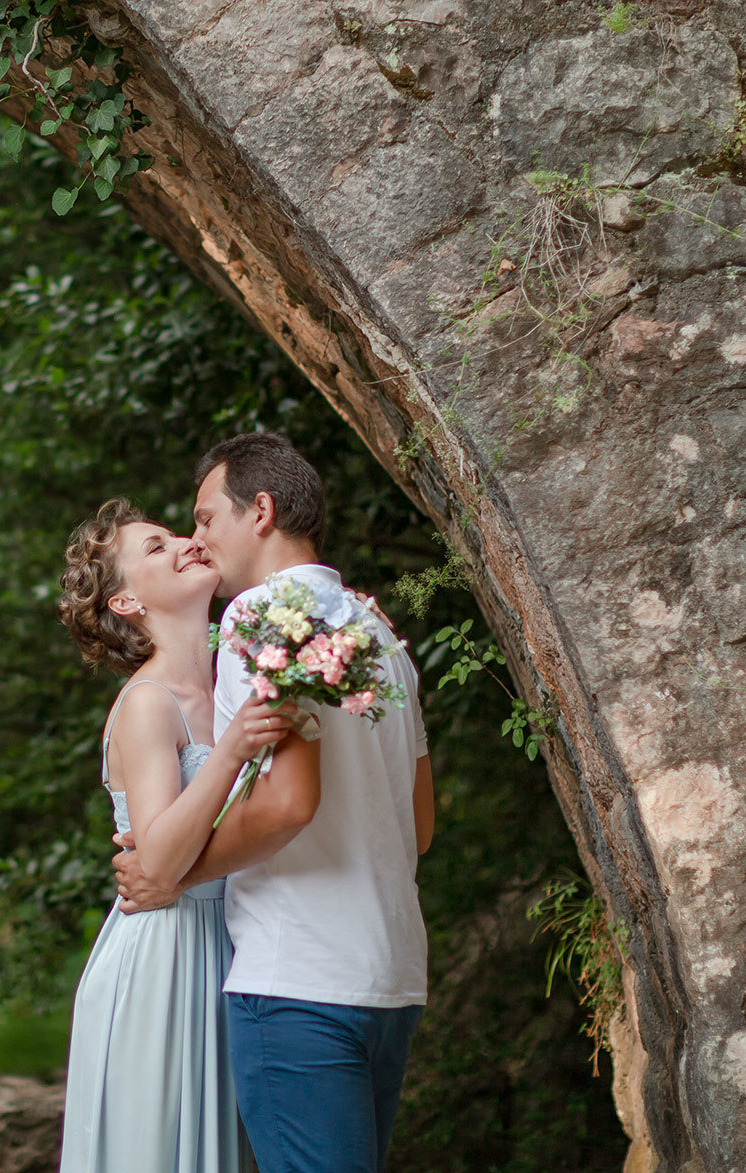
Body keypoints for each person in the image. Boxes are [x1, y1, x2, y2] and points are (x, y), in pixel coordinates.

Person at [113, 433, 435, 1173]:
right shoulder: (380, 633)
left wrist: (174, 875)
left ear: (259, 511)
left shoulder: (257, 619)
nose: (197, 539)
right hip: (391, 976)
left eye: (204, 518)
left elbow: (288, 804)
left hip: (297, 980)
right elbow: (419, 826)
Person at [54, 498, 308, 1173]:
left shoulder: (238, 676)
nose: (184, 543)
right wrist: (231, 750)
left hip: (240, 940)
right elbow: (161, 861)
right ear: (128, 602)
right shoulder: (147, 703)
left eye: (177, 534)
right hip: (166, 956)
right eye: (156, 547)